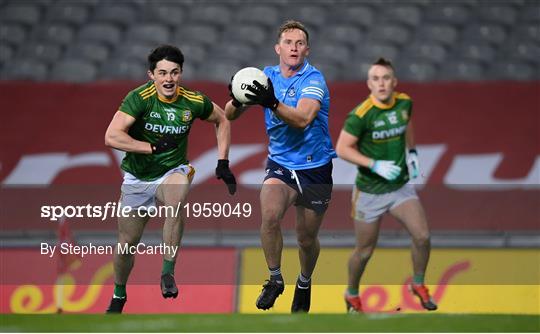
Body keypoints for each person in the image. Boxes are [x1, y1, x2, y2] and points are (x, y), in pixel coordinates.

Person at [104, 44, 236, 313]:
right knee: (126, 245)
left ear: (181, 74)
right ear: (151, 75)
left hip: (172, 170)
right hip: (138, 176)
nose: (168, 79)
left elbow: (222, 120)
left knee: (176, 201)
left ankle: (167, 272)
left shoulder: (192, 100)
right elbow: (111, 136)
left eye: (174, 73)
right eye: (162, 73)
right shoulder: (139, 98)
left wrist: (223, 161)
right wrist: (150, 147)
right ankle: (119, 294)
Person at [225, 20, 336, 313]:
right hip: (281, 165)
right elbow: (229, 115)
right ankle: (275, 279)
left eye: (299, 43)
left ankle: (304, 280)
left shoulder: (314, 80)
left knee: (306, 238)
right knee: (270, 216)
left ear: (307, 49)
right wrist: (237, 98)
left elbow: (302, 120)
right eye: (288, 42)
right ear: (278, 48)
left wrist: (271, 101)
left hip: (316, 169)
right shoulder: (266, 77)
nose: (294, 48)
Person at [335, 58, 437, 313]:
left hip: (400, 187)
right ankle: (352, 293)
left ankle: (418, 283)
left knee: (422, 236)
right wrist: (374, 164)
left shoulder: (404, 103)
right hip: (369, 191)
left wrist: (411, 152)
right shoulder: (360, 115)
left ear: (394, 82)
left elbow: (406, 124)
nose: (381, 83)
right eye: (376, 79)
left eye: (386, 78)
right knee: (365, 250)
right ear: (369, 84)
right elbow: (342, 148)